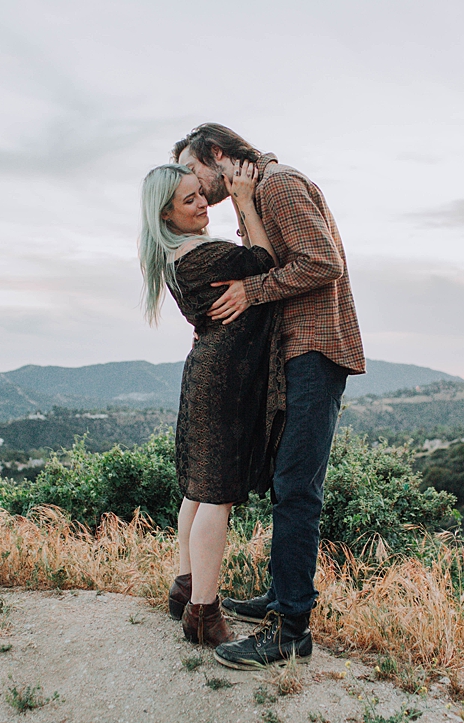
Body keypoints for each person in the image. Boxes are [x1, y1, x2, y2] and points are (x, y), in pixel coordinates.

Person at [171, 124, 365, 669]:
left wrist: (251, 289)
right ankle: (282, 601)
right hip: (292, 353)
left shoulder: (277, 185)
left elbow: (325, 261)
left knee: (296, 490)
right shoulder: (254, 194)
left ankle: (290, 631)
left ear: (215, 154)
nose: (194, 185)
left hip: (313, 349)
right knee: (286, 485)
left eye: (193, 170)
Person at [137, 161, 285, 647]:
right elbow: (265, 262)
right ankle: (203, 613)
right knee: (217, 496)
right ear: (166, 216)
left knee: (199, 491)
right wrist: (244, 200)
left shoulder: (180, 255)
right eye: (189, 200)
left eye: (200, 193)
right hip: (223, 378)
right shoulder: (201, 257)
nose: (203, 203)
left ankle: (185, 586)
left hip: (209, 373)